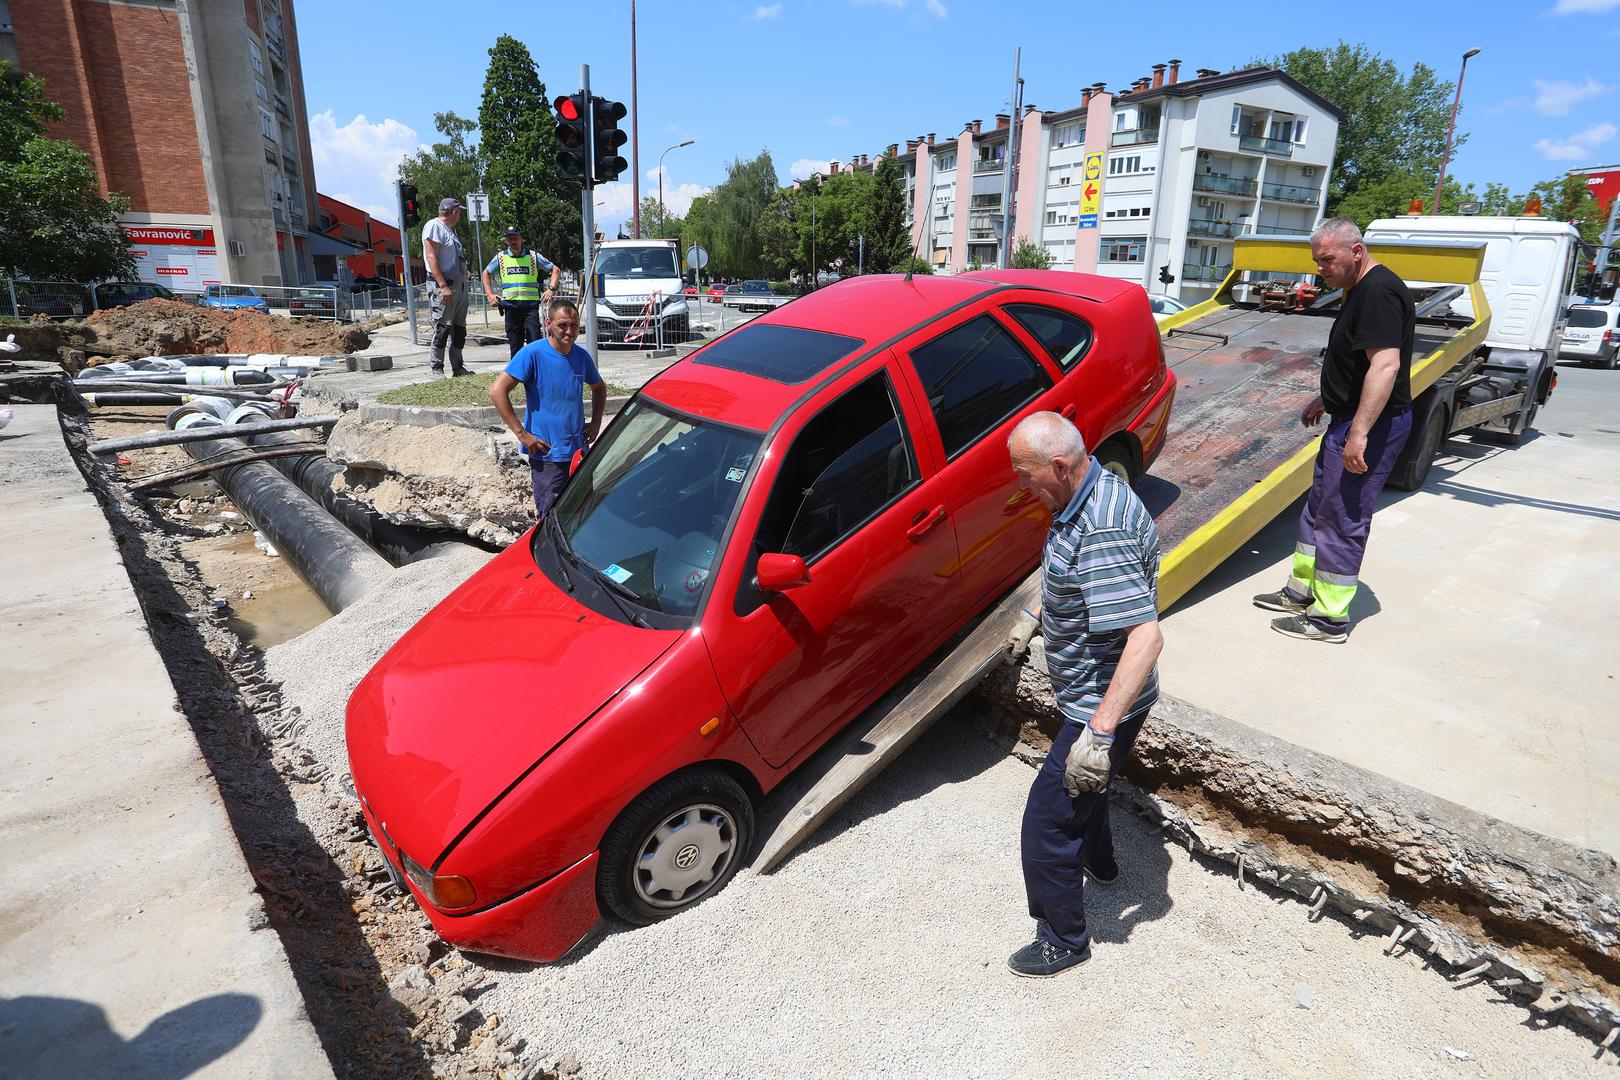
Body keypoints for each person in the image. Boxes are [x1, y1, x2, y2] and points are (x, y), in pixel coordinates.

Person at [1003, 412, 1164, 979]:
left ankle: (1063, 938)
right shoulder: (1091, 491)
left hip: (1103, 703)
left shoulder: (1102, 529)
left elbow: (1145, 638)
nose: (1022, 486)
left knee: (1047, 822)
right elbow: (1080, 579)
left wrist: (1098, 735)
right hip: (1098, 695)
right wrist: (1036, 613)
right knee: (1084, 793)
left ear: (1060, 466)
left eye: (1026, 475)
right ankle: (1101, 864)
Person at [1252, 217, 1414, 643]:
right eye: (1316, 261)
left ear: (1356, 250)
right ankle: (1301, 592)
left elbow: (1385, 365)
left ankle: (1329, 619)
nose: (1320, 269)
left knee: (1343, 516)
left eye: (1327, 259)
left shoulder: (1378, 291)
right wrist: (1329, 398)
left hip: (1372, 427)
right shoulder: (1358, 289)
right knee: (1318, 509)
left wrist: (1359, 433)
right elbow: (1358, 361)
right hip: (1347, 417)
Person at [488, 297, 607, 520]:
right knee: (550, 518)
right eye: (562, 325)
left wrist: (596, 422)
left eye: (574, 325)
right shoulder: (532, 354)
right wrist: (523, 435)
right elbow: (497, 391)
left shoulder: (581, 357)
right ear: (548, 323)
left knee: (582, 515)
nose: (569, 331)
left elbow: (599, 387)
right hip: (548, 456)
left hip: (578, 453)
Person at [482, 226, 561, 358]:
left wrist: (551, 289)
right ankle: (517, 376)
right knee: (515, 345)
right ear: (507, 241)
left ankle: (535, 374)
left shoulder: (533, 256)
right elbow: (486, 273)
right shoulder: (501, 257)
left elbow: (555, 270)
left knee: (534, 343)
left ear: (521, 239)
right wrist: (489, 294)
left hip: (530, 308)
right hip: (510, 308)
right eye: (510, 238)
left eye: (516, 238)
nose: (513, 241)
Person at [422, 197, 470, 377]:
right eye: (459, 213)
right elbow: (431, 257)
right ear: (454, 212)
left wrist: (464, 272)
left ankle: (458, 366)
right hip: (444, 286)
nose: (459, 216)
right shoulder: (434, 226)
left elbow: (451, 258)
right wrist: (442, 286)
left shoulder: (450, 231)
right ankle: (437, 367)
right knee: (442, 327)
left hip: (459, 286)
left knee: (459, 328)